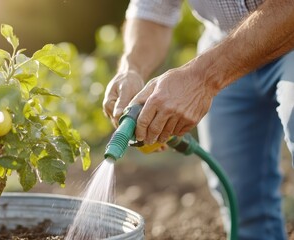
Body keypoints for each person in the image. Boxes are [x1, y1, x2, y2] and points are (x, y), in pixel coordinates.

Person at [102, 0, 294, 239]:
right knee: (241, 197)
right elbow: (152, 11)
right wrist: (132, 68)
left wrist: (203, 77)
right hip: (226, 41)